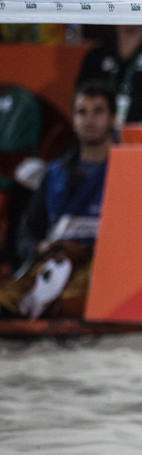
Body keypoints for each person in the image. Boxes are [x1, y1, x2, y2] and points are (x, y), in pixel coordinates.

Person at [0, 81, 115, 320]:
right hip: (55, 261)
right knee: (6, 300)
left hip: (101, 265)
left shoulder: (126, 172)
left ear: (113, 119)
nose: (89, 120)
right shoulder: (54, 173)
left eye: (98, 111)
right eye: (82, 112)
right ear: (73, 120)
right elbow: (28, 231)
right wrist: (39, 247)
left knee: (71, 301)